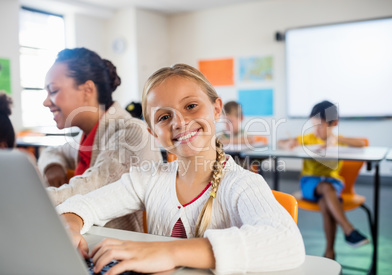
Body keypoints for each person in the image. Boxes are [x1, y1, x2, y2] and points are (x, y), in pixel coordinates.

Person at [56, 64, 305, 274]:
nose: (180, 122)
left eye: (190, 106)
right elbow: (87, 204)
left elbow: (286, 242)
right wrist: (71, 223)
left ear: (216, 109)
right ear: (153, 133)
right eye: (164, 117)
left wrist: (169, 253)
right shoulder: (147, 179)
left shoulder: (242, 184)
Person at [38, 47, 162, 232]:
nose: (46, 102)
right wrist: (52, 165)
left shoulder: (131, 133)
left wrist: (26, 198)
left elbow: (87, 192)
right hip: (88, 240)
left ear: (87, 90)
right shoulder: (88, 135)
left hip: (121, 247)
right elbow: (52, 152)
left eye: (53, 91)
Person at [278, 100, 369, 260]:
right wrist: (289, 145)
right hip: (309, 183)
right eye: (314, 125)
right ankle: (348, 230)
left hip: (333, 183)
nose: (316, 130)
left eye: (320, 126)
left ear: (334, 123)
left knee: (326, 204)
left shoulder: (337, 140)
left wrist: (336, 140)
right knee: (327, 189)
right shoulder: (309, 139)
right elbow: (280, 142)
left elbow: (361, 144)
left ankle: (329, 253)